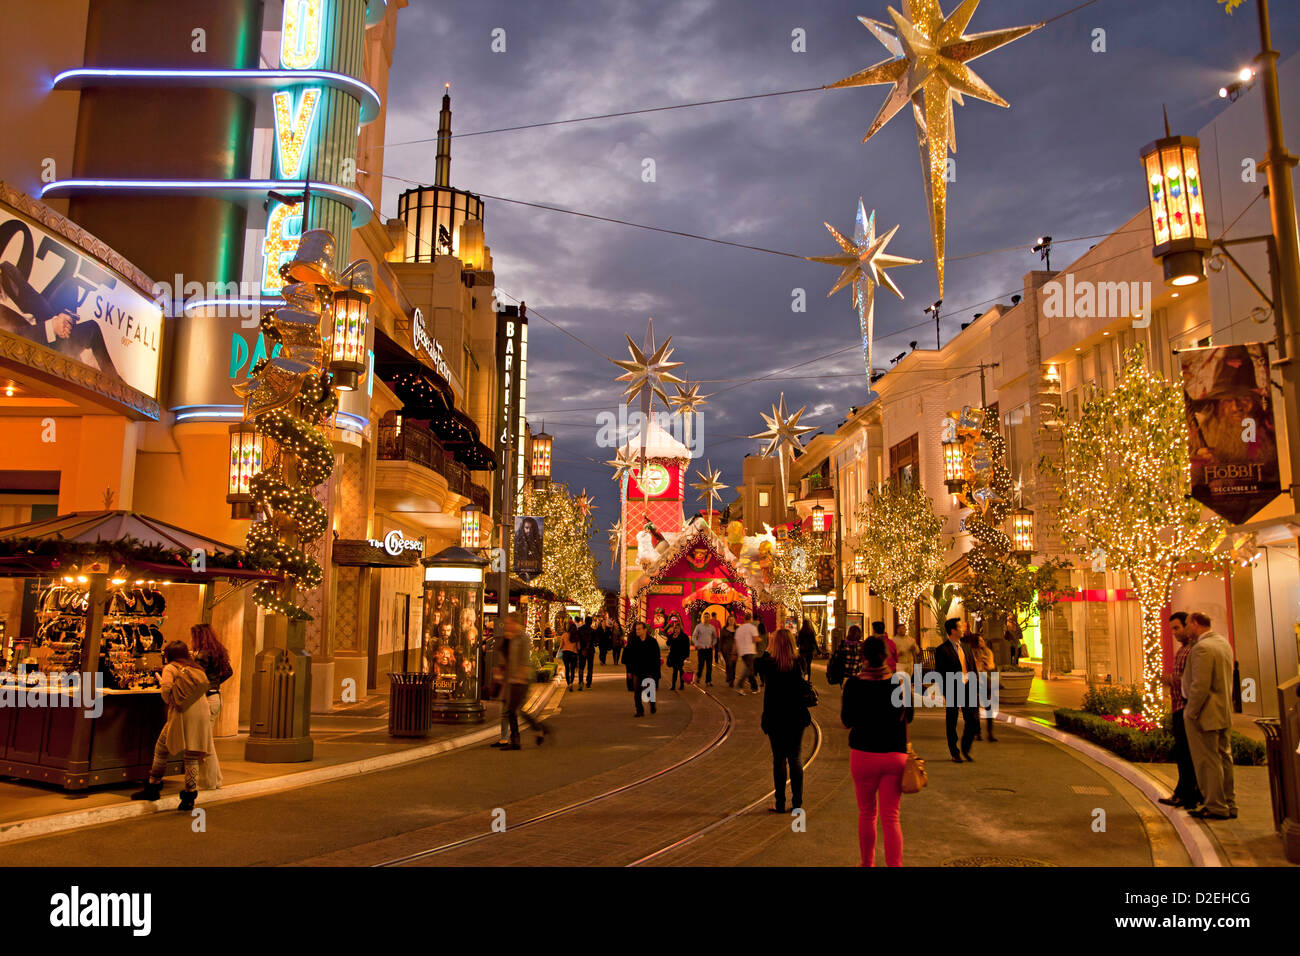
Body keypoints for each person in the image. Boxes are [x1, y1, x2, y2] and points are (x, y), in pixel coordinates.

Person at [842, 635, 913, 866]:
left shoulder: (853, 684)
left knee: (867, 813)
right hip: (894, 754)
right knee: (891, 817)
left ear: (864, 657)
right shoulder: (900, 683)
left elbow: (846, 720)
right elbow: (909, 717)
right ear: (888, 655)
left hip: (863, 754)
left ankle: (867, 864)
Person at [131, 641, 213, 810]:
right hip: (201, 710)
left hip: (183, 712)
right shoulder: (196, 668)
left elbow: (167, 692)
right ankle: (189, 796)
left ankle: (153, 786)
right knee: (192, 753)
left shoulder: (170, 667)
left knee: (162, 748)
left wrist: (167, 695)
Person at [1182, 611, 1237, 820]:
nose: (1187, 629)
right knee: (1224, 757)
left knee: (1208, 761)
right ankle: (1229, 803)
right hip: (1223, 711)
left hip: (1205, 714)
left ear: (1195, 624)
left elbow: (1200, 686)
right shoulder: (1222, 643)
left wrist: (1191, 712)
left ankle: (1215, 805)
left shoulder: (1202, 648)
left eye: (1187, 624)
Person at [755, 628, 813, 813]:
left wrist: (768, 647)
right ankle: (797, 803)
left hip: (775, 716)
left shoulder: (768, 663)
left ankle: (780, 802)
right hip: (796, 715)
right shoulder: (799, 662)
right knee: (795, 758)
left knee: (778, 759)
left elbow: (758, 665)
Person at [1159, 612, 1204, 810]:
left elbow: (1191, 680)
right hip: (1178, 705)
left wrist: (1171, 680)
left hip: (1186, 707)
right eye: (1172, 630)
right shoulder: (1184, 650)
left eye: (1177, 628)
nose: (1175, 633)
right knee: (1183, 752)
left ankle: (1187, 793)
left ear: (1188, 625)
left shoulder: (1194, 650)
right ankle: (1185, 792)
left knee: (1186, 753)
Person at [493, 613, 550, 749]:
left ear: (515, 623)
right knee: (512, 709)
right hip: (510, 679)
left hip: (521, 680)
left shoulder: (523, 638)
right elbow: (504, 656)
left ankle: (527, 734)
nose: (506, 626)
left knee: (514, 709)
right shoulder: (510, 637)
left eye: (509, 623)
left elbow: (525, 660)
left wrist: (520, 678)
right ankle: (532, 732)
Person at [190, 623, 233, 791]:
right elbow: (229, 671)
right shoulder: (218, 650)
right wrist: (215, 683)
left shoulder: (202, 655)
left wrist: (206, 685)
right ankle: (214, 779)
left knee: (205, 743)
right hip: (216, 697)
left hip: (206, 699)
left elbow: (197, 676)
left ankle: (211, 781)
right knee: (207, 741)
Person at [933, 618, 977, 763]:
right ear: (953, 630)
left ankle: (965, 747)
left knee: (971, 720)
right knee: (951, 721)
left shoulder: (966, 647)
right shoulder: (942, 650)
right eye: (960, 627)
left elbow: (972, 668)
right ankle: (954, 751)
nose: (963, 629)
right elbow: (939, 673)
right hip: (952, 688)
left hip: (968, 686)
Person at [625, 621, 661, 717]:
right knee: (637, 692)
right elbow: (628, 657)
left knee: (649, 691)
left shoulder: (652, 642)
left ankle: (652, 704)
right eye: (636, 629)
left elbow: (657, 657)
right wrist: (629, 670)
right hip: (637, 670)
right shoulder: (633, 642)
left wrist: (656, 673)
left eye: (639, 629)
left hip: (649, 670)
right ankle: (639, 711)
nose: (637, 631)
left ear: (645, 630)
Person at [972, 630, 998, 742]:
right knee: (975, 709)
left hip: (985, 681)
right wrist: (978, 662)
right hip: (975, 681)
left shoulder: (988, 652)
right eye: (979, 641)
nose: (981, 643)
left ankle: (990, 733)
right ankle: (978, 732)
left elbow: (991, 666)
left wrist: (985, 662)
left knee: (988, 707)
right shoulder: (972, 652)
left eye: (982, 641)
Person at [827, 624, 865, 688]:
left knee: (846, 695)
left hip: (844, 676)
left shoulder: (842, 645)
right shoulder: (861, 647)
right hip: (857, 677)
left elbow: (836, 659)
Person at [733, 613, 759, 694]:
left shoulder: (739, 629)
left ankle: (754, 687)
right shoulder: (752, 628)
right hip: (750, 650)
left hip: (742, 652)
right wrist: (760, 639)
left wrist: (734, 652)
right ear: (750, 619)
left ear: (744, 619)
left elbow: (736, 642)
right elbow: (755, 639)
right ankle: (739, 685)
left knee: (750, 669)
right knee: (748, 669)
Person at [690, 614, 716, 687]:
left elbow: (715, 637)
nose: (706, 618)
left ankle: (708, 681)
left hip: (709, 649)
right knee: (701, 665)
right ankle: (698, 677)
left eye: (707, 617)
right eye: (705, 617)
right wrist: (697, 644)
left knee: (709, 666)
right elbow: (694, 636)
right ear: (703, 618)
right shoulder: (699, 626)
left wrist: (713, 644)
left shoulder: (712, 627)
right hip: (701, 649)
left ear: (709, 618)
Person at [666, 621, 691, 690]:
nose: (676, 630)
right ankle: (673, 685)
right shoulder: (672, 635)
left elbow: (687, 647)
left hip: (681, 656)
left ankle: (682, 685)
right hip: (673, 656)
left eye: (677, 628)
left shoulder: (684, 636)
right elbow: (667, 643)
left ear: (680, 629)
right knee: (674, 671)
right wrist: (672, 638)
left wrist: (687, 656)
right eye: (675, 628)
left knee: (681, 670)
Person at [718, 613, 738, 687]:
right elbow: (721, 641)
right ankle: (729, 678)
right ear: (728, 621)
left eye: (732, 620)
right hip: (726, 650)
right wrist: (719, 651)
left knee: (734, 665)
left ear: (734, 620)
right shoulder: (724, 629)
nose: (731, 621)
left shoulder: (737, 628)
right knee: (729, 664)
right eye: (730, 620)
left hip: (735, 650)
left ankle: (731, 679)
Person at [576, 616, 596, 689]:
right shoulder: (593, 631)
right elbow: (595, 641)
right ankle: (589, 683)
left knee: (581, 667)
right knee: (590, 667)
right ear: (591, 622)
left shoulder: (580, 630)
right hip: (590, 650)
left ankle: (581, 682)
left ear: (585, 621)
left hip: (582, 650)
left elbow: (577, 640)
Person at [560, 621, 580, 690]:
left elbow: (561, 646)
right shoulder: (576, 636)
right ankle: (571, 682)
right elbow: (578, 647)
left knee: (567, 669)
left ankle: (568, 683)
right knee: (572, 669)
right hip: (573, 654)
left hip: (565, 653)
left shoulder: (564, 635)